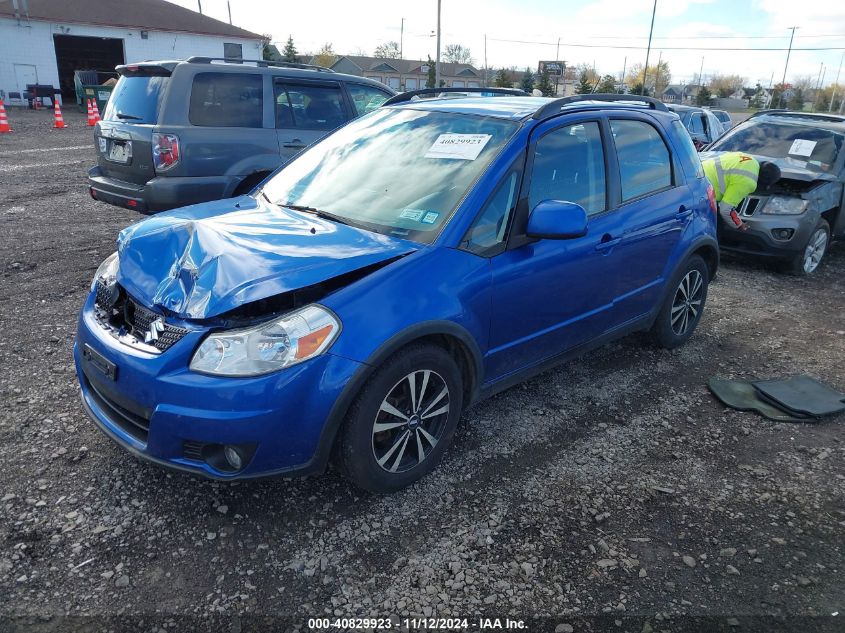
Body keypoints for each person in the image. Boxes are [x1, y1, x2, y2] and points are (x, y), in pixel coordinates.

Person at [702, 152, 780, 231]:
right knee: (715, 231)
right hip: (702, 191)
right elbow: (725, 209)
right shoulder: (748, 182)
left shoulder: (750, 159)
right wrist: (739, 225)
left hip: (697, 174)